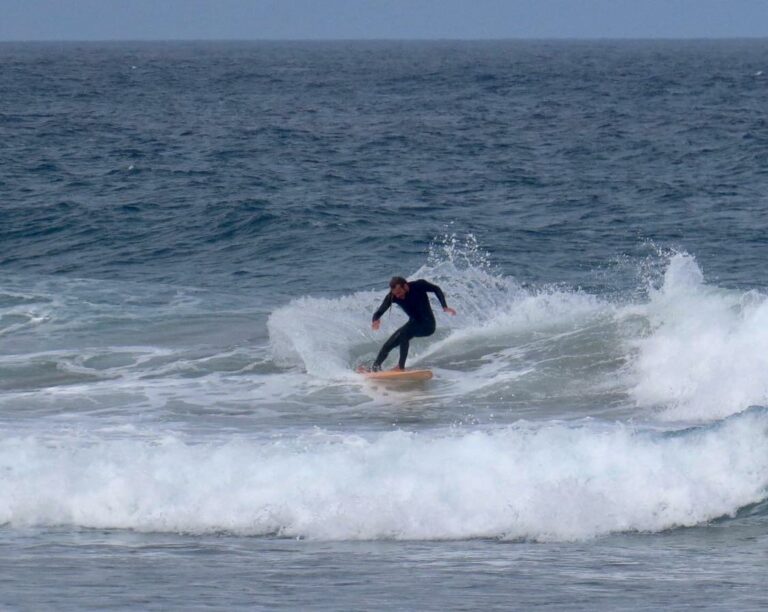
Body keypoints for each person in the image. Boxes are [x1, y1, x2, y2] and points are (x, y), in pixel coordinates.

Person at [363, 276, 456, 371]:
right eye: (395, 294)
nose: (398, 296)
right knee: (388, 345)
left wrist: (444, 306)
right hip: (413, 323)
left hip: (428, 325)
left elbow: (436, 289)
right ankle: (375, 368)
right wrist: (375, 320)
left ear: (406, 286)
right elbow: (379, 311)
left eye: (399, 292)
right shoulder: (393, 296)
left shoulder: (419, 285)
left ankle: (401, 367)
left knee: (404, 334)